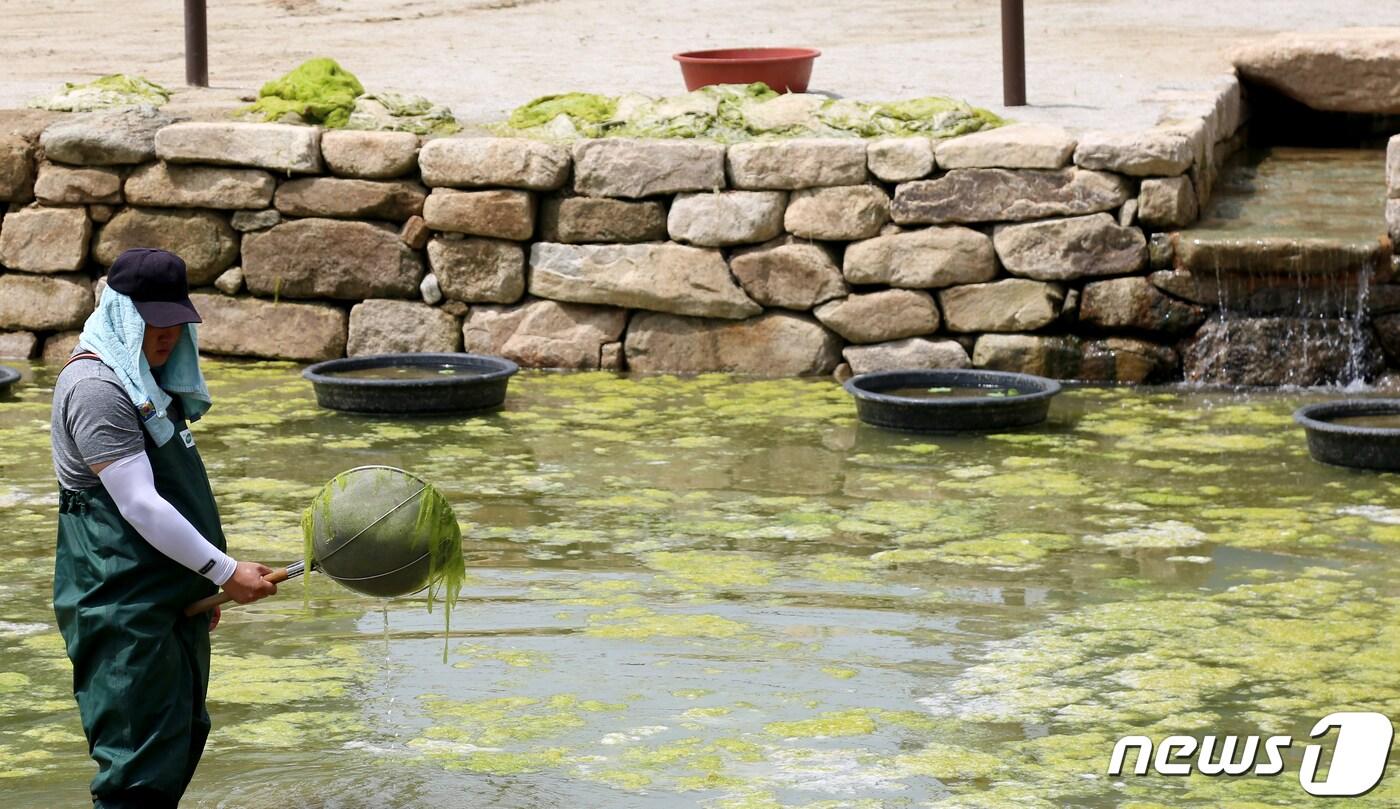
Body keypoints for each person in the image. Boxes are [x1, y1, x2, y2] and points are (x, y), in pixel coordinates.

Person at [50, 248, 278, 808]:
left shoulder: (151, 387)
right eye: (152, 320)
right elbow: (141, 507)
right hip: (120, 606)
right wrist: (224, 572)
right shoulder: (99, 389)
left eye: (177, 320)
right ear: (120, 312)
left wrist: (197, 584)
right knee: (135, 772)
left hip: (169, 600)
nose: (166, 333)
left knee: (177, 744)